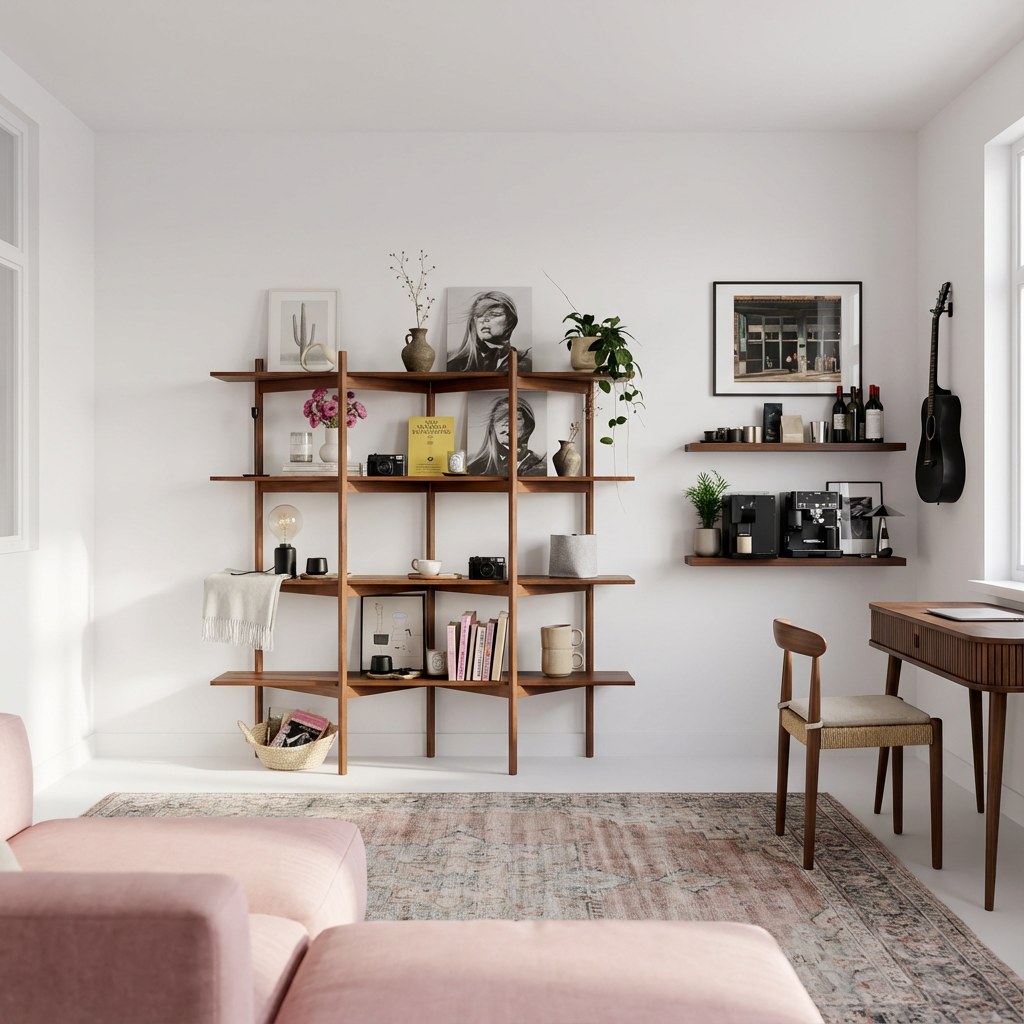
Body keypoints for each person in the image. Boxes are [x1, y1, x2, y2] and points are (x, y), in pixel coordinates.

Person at [447, 291, 532, 372]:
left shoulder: (526, 365)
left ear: (510, 321)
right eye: (479, 315)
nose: (484, 319)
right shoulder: (456, 367)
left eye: (494, 315)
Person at [467, 395, 546, 476]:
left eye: (516, 418)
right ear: (493, 426)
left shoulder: (542, 467)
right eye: (500, 419)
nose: (506, 424)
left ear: (528, 425)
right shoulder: (475, 468)